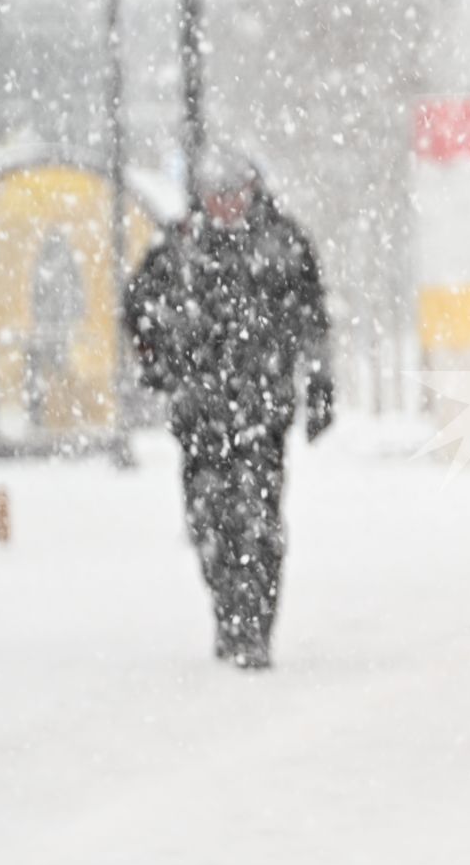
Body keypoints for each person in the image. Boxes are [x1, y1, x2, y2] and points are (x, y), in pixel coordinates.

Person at [123, 146, 334, 670]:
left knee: (258, 523)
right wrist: (158, 363)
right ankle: (227, 612)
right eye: (216, 195)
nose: (227, 204)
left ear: (253, 191)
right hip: (199, 416)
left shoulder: (283, 244)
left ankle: (255, 628)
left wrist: (320, 387)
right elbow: (137, 310)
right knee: (208, 522)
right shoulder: (178, 249)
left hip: (263, 415)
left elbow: (313, 321)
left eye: (235, 192)